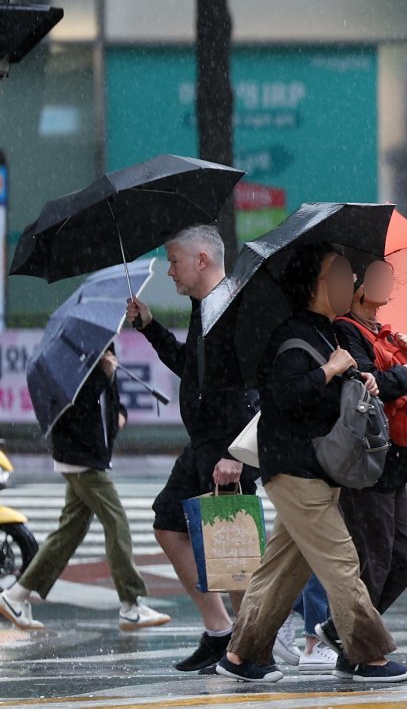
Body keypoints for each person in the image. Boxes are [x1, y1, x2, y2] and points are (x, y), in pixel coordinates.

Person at [215, 242, 407, 684]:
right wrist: (330, 371)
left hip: (312, 468)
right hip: (294, 468)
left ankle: (240, 657)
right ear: (316, 285)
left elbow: (331, 395)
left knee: (283, 570)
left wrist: (358, 377)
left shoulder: (328, 331)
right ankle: (367, 657)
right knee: (341, 561)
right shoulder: (292, 337)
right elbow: (281, 397)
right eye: (341, 272)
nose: (351, 279)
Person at [126, 225, 258, 672]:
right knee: (169, 522)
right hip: (203, 444)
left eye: (174, 260)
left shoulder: (234, 306)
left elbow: (252, 388)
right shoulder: (204, 307)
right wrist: (149, 326)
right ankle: (222, 632)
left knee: (234, 555)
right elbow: (192, 368)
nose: (170, 270)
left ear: (201, 260)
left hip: (229, 449)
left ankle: (254, 643)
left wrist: (235, 456)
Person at [0, 347, 170, 632]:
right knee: (116, 522)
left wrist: (119, 414)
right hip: (79, 456)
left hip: (91, 454)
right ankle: (131, 604)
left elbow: (108, 404)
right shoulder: (70, 359)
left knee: (70, 531)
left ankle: (16, 596)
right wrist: (103, 375)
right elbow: (72, 407)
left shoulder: (104, 350)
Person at [334, 261, 407, 621]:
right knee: (374, 559)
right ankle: (355, 638)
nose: (388, 282)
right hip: (370, 461)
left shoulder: (384, 333)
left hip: (395, 462)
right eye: (378, 275)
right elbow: (370, 388)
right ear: (358, 286)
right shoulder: (346, 331)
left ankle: (344, 629)